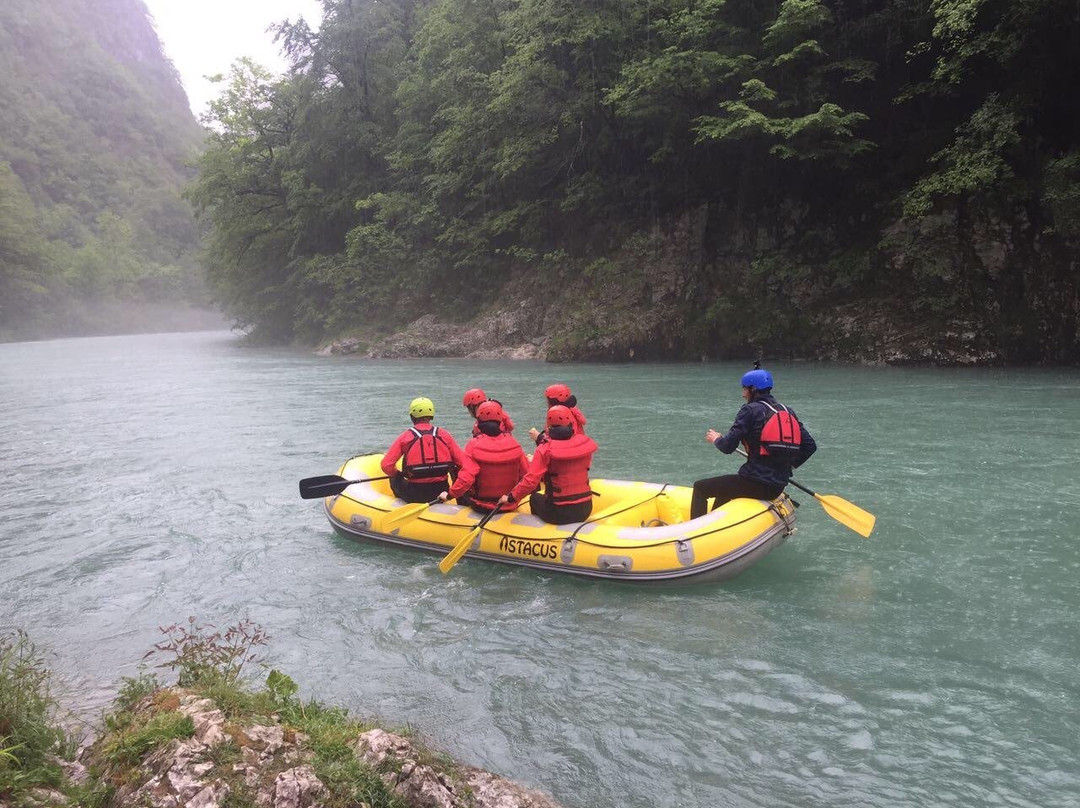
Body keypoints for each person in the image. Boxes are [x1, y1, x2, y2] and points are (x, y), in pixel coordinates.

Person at [691, 368, 816, 518]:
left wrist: (716, 438)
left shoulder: (749, 411)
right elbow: (810, 446)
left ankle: (695, 532)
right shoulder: (787, 411)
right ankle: (714, 524)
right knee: (725, 490)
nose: (743, 394)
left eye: (745, 389)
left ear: (753, 389)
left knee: (700, 487)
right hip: (777, 486)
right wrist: (790, 465)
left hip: (754, 483)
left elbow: (727, 447)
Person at [499, 405, 598, 524]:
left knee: (534, 498)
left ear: (549, 426)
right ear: (571, 422)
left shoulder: (545, 448)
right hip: (585, 508)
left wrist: (510, 498)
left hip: (558, 511)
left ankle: (540, 532)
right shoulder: (583, 444)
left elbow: (531, 481)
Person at [438, 400, 528, 512]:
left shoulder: (473, 445)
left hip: (481, 506)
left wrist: (449, 495)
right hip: (509, 503)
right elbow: (527, 475)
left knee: (457, 474)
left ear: (479, 421)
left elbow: (466, 479)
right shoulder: (514, 443)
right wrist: (513, 497)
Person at [381, 397, 469, 503]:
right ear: (431, 416)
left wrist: (398, 474)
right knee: (455, 468)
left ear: (411, 416)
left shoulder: (406, 437)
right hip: (441, 491)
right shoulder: (444, 435)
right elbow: (463, 463)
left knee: (394, 477)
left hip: (414, 493)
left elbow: (386, 466)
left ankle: (398, 504)